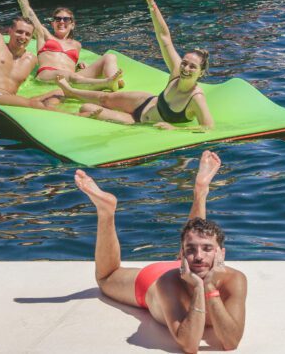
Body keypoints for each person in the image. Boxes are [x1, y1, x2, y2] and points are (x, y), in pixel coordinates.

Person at [75, 149, 247, 352]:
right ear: (181, 254)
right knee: (106, 278)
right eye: (190, 250)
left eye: (208, 249)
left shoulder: (235, 280)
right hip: (154, 280)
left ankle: (201, 190)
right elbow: (190, 345)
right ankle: (106, 212)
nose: (199, 256)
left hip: (187, 268)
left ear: (221, 254)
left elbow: (231, 342)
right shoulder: (166, 283)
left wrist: (209, 286)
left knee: (196, 234)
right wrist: (201, 288)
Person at [56, 0, 214, 131]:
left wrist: (174, 128)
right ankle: (70, 91)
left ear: (200, 73)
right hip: (144, 101)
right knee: (105, 98)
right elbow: (164, 37)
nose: (186, 69)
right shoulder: (176, 72)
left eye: (192, 67)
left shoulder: (196, 98)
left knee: (86, 109)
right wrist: (151, 2)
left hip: (138, 120)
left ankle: (75, 94)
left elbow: (208, 127)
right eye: (184, 63)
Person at [7, 0, 122, 89]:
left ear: (72, 25)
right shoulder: (43, 35)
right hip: (48, 75)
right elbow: (26, 9)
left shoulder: (76, 45)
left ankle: (113, 85)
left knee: (110, 57)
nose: (61, 21)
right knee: (68, 75)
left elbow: (68, 64)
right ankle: (108, 82)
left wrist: (80, 67)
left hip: (72, 77)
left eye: (66, 19)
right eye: (57, 19)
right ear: (52, 24)